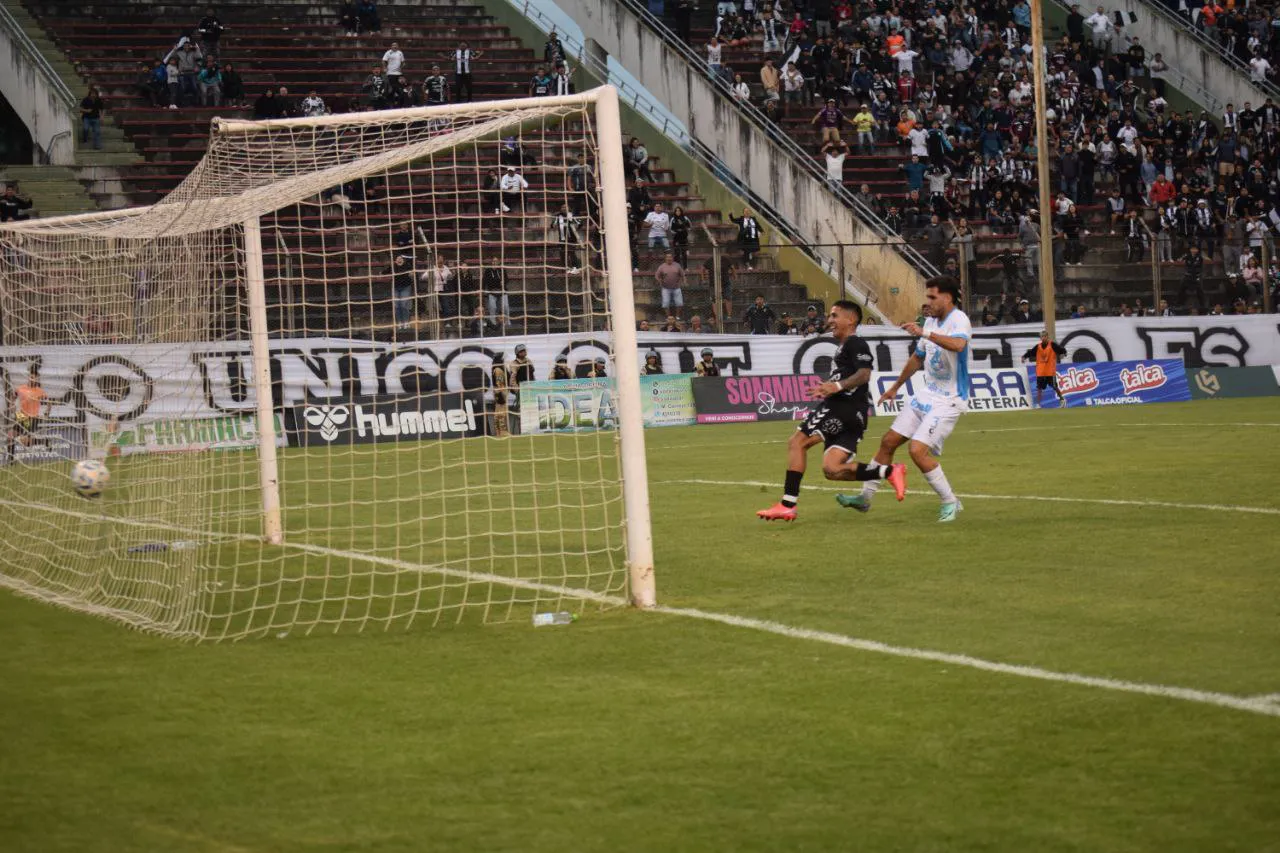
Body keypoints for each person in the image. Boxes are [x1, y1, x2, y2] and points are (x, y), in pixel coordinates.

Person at [837, 276, 970, 523]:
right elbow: (918, 358)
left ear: (948, 297)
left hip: (950, 399)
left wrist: (926, 332)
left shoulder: (958, 320)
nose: (928, 302)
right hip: (926, 394)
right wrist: (896, 387)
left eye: (932, 297)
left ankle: (950, 501)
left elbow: (959, 345)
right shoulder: (930, 321)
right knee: (888, 442)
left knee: (917, 451)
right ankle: (865, 499)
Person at [757, 301, 906, 521]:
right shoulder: (844, 347)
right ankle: (889, 471)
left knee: (797, 442)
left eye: (835, 316)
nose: (830, 321)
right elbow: (851, 375)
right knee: (832, 469)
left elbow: (864, 373)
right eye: (829, 316)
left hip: (841, 408)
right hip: (854, 415)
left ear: (851, 319)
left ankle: (788, 504)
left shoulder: (855, 343)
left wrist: (835, 387)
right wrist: (828, 386)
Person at [7, 367, 47, 458]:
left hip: (33, 418)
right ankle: (11, 461)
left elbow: (48, 403)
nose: (32, 379)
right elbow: (13, 396)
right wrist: (11, 405)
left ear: (37, 379)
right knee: (10, 436)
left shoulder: (39, 391)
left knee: (26, 443)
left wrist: (47, 412)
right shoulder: (21, 388)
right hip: (21, 416)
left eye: (35, 378)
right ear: (29, 377)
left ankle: (44, 441)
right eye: (31, 377)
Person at [1022, 330, 1068, 407]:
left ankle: (1062, 399)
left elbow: (1061, 349)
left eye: (1044, 336)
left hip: (1050, 371)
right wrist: (1024, 357)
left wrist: (1064, 353)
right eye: (1042, 336)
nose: (1043, 338)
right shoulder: (1038, 347)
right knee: (1039, 388)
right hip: (1040, 371)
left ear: (1047, 337)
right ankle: (1038, 404)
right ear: (1040, 338)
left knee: (1054, 386)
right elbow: (1030, 352)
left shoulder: (1052, 345)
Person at [653, 251, 685, 320]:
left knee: (679, 303)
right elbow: (656, 276)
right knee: (665, 303)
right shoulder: (662, 267)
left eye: (670, 257)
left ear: (672, 258)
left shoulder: (677, 265)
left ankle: (677, 316)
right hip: (665, 288)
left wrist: (682, 282)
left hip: (676, 288)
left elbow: (682, 275)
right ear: (665, 258)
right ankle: (668, 317)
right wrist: (660, 280)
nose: (669, 258)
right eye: (667, 257)